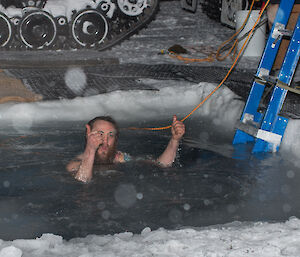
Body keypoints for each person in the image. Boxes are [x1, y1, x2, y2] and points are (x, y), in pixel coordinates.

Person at [66, 115, 185, 182]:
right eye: (100, 134)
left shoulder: (120, 158)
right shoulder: (75, 164)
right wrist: (90, 149)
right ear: (89, 134)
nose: (105, 142)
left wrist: (174, 140)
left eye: (111, 135)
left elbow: (161, 165)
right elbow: (82, 181)